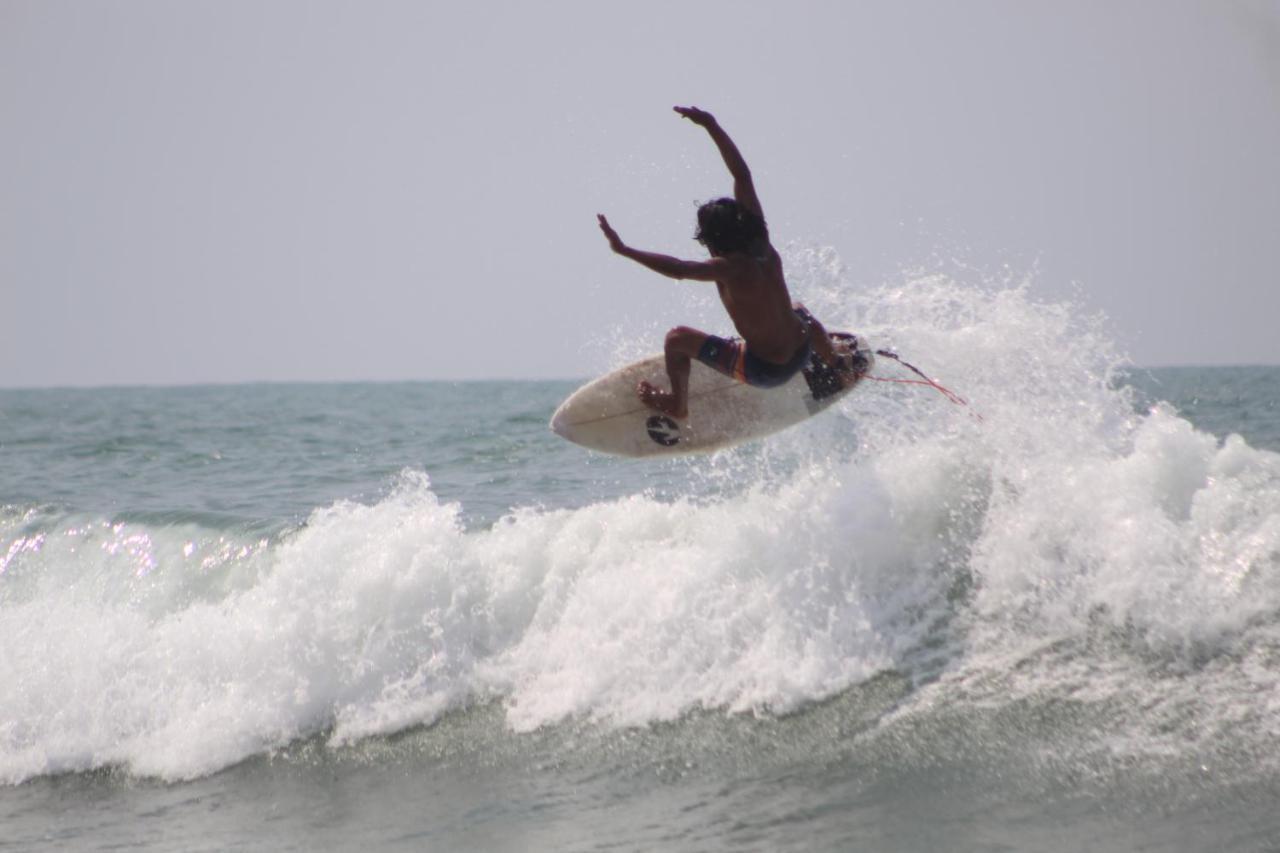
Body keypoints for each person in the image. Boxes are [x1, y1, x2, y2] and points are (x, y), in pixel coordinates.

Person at [597, 106, 860, 419]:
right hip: (803, 351)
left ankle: (676, 404)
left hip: (767, 371)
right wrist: (711, 126)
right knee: (798, 311)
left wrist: (625, 250)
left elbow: (680, 269)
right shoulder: (761, 242)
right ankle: (835, 363)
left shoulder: (729, 268)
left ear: (712, 239)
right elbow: (742, 175)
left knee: (676, 338)